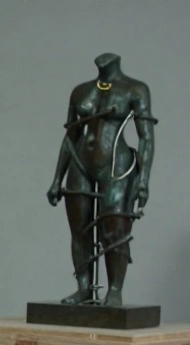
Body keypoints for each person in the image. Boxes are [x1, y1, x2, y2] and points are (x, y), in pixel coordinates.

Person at [47, 52, 156, 308]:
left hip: (116, 164)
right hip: (80, 161)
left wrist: (143, 180)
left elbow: (146, 137)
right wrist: (56, 179)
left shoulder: (135, 89)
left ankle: (115, 290)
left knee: (115, 229)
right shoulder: (80, 91)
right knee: (79, 228)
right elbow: (71, 136)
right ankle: (84, 288)